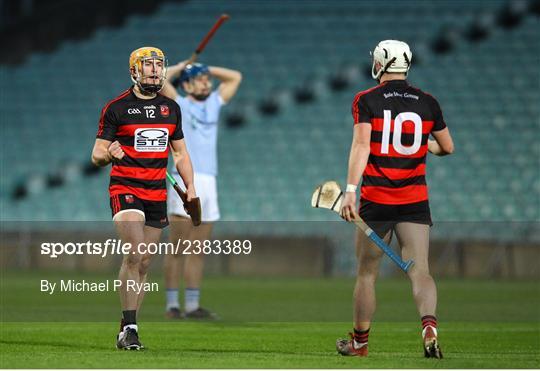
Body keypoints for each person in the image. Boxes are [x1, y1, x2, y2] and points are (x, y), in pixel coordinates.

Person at [337, 40, 454, 358]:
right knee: (421, 271)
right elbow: (447, 147)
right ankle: (429, 326)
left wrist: (349, 190)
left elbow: (362, 146)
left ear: (380, 64)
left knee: (366, 273)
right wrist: (421, 144)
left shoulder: (367, 99)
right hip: (414, 200)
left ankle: (359, 344)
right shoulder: (427, 102)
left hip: (376, 200)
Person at [91, 46, 196, 349]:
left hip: (156, 192)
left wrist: (191, 188)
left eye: (158, 65)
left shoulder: (171, 108)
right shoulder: (117, 107)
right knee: (135, 253)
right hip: (125, 188)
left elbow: (181, 154)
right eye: (147, 65)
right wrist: (107, 154)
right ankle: (133, 329)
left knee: (146, 261)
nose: (154, 70)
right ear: (134, 70)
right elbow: (96, 152)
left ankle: (126, 325)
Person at [160, 60, 242, 319]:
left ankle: (193, 306)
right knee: (178, 248)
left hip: (209, 181)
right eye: (200, 79)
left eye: (207, 80)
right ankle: (172, 305)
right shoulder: (180, 104)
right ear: (185, 85)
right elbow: (162, 80)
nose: (207, 83)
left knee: (198, 250)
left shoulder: (214, 104)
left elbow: (235, 76)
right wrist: (182, 66)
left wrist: (204, 68)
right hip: (185, 179)